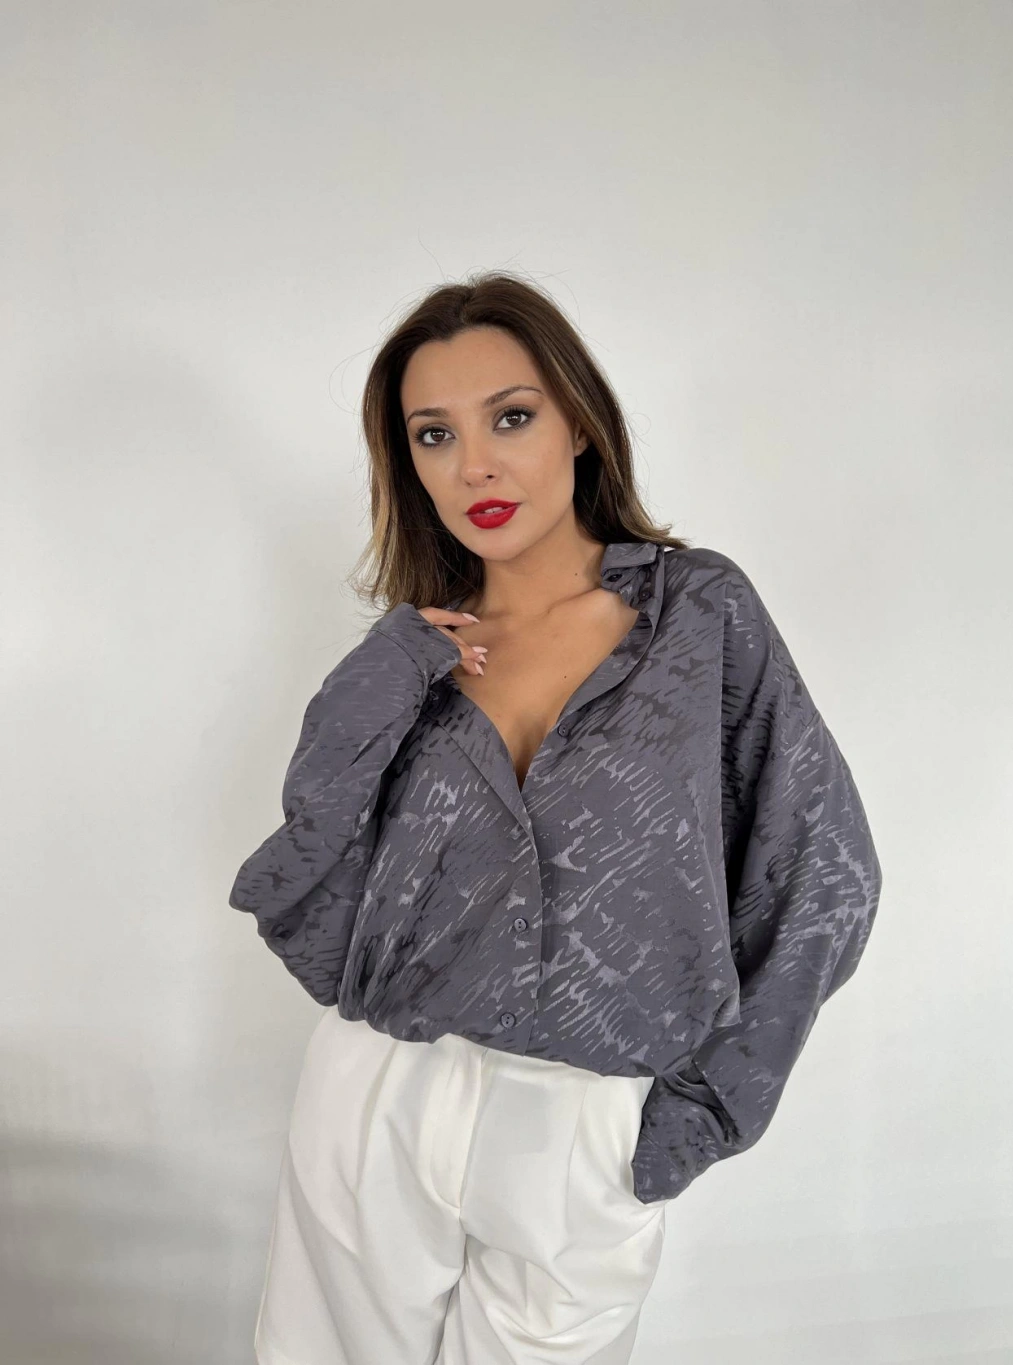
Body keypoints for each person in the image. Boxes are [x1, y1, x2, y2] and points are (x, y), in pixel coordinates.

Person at [228, 272, 883, 1365]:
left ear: (578, 422)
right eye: (433, 435)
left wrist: (706, 1106)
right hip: (380, 1091)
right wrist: (382, 671)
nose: (474, 466)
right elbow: (309, 874)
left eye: (511, 417)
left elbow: (824, 870)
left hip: (583, 1120)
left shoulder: (698, 612)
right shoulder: (412, 657)